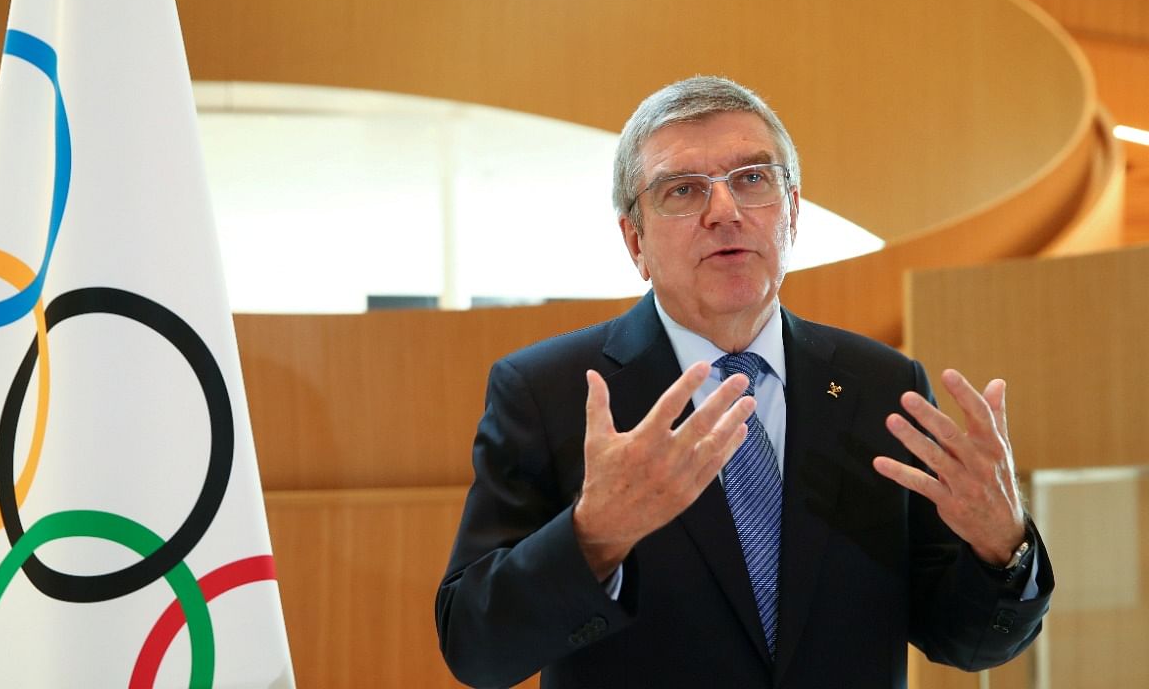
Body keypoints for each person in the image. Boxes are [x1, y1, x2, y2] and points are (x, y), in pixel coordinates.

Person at [435, 76, 1053, 688]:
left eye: (753, 180)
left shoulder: (880, 385)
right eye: (683, 190)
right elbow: (476, 648)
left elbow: (962, 639)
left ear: (792, 214)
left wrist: (1004, 548)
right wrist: (593, 537)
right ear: (636, 242)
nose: (725, 212)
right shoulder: (551, 392)